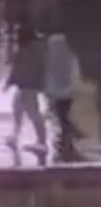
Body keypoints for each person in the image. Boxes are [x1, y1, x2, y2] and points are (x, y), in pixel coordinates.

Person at [6, 26, 48, 151]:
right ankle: (15, 136)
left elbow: (21, 68)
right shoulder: (31, 49)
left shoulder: (31, 51)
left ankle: (42, 142)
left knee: (33, 112)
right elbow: (18, 68)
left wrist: (11, 81)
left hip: (28, 85)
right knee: (17, 108)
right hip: (26, 85)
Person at [45, 30, 81, 158]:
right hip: (68, 94)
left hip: (59, 95)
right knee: (64, 118)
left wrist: (49, 94)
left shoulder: (52, 60)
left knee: (62, 118)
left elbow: (49, 78)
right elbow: (75, 75)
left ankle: (66, 141)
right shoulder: (70, 58)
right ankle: (67, 141)